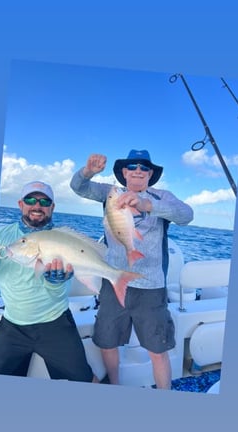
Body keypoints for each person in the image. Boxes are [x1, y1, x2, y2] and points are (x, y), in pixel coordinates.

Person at [70, 150, 194, 389]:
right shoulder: (110, 193)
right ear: (124, 172)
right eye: (132, 166)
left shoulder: (161, 196)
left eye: (144, 167)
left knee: (158, 349)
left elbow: (187, 215)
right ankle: (115, 385)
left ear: (150, 174)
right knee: (106, 341)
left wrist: (147, 204)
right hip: (114, 281)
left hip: (151, 287)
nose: (138, 170)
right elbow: (79, 187)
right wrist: (88, 172)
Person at [0, 180, 97, 383]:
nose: (37, 206)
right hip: (12, 324)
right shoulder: (2, 235)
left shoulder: (60, 239)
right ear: (21, 204)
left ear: (52, 207)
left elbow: (58, 289)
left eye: (44, 202)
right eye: (31, 199)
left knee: (85, 380)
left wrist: (56, 282)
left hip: (55, 322)